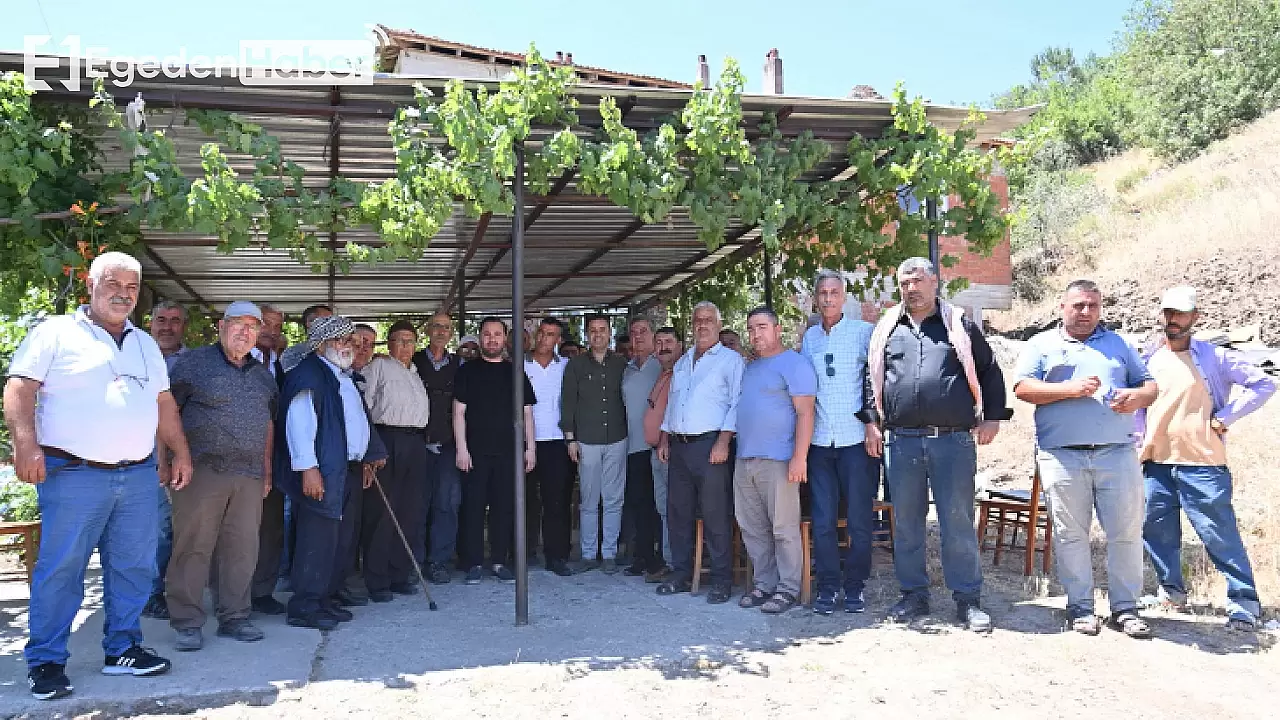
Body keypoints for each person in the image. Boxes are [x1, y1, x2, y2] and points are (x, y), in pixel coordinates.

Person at [4, 252, 193, 700]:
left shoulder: (144, 343)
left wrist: (180, 451)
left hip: (138, 476)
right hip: (74, 475)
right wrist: (25, 444)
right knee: (61, 570)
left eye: (132, 287)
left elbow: (163, 403)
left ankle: (123, 649)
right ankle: (46, 660)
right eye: (114, 283)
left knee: (134, 567)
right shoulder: (55, 332)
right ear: (91, 284)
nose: (123, 293)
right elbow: (19, 386)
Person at [866, 257, 1011, 632]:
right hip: (901, 443)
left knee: (957, 521)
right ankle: (914, 596)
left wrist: (993, 415)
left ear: (935, 282)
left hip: (952, 442)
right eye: (904, 283)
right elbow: (870, 379)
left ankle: (967, 600)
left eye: (917, 281)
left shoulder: (958, 324)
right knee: (908, 525)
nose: (911, 288)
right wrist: (871, 422)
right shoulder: (887, 329)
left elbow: (989, 369)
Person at [1014, 279, 1158, 638]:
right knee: (1070, 535)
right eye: (1078, 305)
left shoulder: (1119, 345)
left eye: (1092, 305)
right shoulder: (1041, 344)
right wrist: (1069, 390)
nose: (1085, 312)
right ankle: (1080, 608)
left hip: (1117, 454)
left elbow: (1150, 386)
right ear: (1061, 307)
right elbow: (1023, 388)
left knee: (1125, 533)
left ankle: (1125, 609)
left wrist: (1135, 397)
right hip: (1062, 456)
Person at [1137, 286, 1275, 630]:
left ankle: (1244, 602)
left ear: (1195, 317)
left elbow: (1263, 384)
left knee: (1219, 534)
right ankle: (1171, 592)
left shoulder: (1215, 356)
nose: (1173, 320)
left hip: (1203, 465)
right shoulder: (1148, 357)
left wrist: (1225, 417)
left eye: (1181, 314)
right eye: (1168, 313)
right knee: (1157, 532)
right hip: (1156, 463)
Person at [163, 301, 278, 651]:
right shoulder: (193, 363)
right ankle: (187, 621)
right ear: (221, 326)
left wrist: (267, 469)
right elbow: (166, 412)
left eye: (252, 327)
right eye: (238, 324)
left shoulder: (262, 376)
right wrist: (165, 460)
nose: (245, 332)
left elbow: (268, 424)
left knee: (242, 547)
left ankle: (235, 617)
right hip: (200, 469)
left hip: (249, 474)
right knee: (193, 546)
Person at [275, 315, 387, 630]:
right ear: (323, 344)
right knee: (318, 538)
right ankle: (305, 605)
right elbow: (299, 426)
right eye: (343, 340)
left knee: (340, 539)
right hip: (322, 470)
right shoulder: (310, 375)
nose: (349, 346)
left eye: (351, 340)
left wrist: (368, 454)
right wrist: (308, 470)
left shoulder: (341, 375)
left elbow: (357, 421)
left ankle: (325, 599)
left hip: (346, 468)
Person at [800, 269, 880, 615]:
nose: (828, 298)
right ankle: (829, 587)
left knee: (860, 520)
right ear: (816, 299)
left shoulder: (864, 334)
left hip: (856, 442)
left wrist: (873, 425)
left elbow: (877, 382)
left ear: (844, 297)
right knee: (822, 520)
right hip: (819, 442)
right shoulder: (810, 339)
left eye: (834, 292)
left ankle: (855, 586)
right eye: (823, 293)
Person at [656, 302, 745, 604]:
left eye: (708, 320)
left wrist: (724, 441)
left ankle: (722, 580)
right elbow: (673, 403)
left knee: (715, 514)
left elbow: (737, 403)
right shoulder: (682, 363)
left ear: (719, 325)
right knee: (678, 513)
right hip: (679, 447)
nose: (702, 325)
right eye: (697, 320)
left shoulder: (731, 361)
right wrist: (665, 437)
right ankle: (681, 574)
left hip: (711, 447)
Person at [735, 307, 817, 614]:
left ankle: (788, 588)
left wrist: (800, 458)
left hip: (779, 460)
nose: (756, 334)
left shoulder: (794, 364)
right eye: (752, 329)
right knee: (752, 527)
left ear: (777, 328)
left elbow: (806, 413)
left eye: (762, 327)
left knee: (783, 529)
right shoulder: (751, 368)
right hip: (745, 458)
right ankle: (764, 584)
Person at [253, 304, 331, 614]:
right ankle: (231, 597)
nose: (271, 330)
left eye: (276, 325)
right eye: (265, 324)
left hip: (278, 454)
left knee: (271, 526)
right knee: (239, 528)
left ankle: (261, 591)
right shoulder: (240, 358)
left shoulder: (284, 362)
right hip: (243, 454)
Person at [454, 317, 536, 584]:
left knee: (504, 508)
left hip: (508, 453)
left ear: (505, 339)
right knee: (473, 508)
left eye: (497, 334)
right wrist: (461, 449)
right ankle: (474, 562)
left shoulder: (515, 373)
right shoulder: (467, 371)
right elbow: (458, 413)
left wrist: (530, 448)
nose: (492, 339)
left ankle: (500, 561)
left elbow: (527, 414)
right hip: (475, 452)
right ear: (480, 338)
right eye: (487, 335)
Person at [356, 320, 430, 602]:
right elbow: (364, 406)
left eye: (410, 341)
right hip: (386, 439)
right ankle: (377, 579)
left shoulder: (414, 372)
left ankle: (399, 573)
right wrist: (370, 450)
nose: (405, 346)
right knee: (382, 511)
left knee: (409, 509)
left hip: (414, 441)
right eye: (399, 340)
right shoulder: (378, 367)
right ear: (389, 343)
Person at [561, 315, 630, 574]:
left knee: (614, 498)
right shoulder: (575, 366)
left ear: (610, 333)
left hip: (617, 438)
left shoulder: (622, 364)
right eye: (593, 331)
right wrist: (570, 439)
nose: (598, 334)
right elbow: (567, 404)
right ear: (586, 335)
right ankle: (589, 554)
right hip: (586, 440)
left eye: (602, 330)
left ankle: (609, 553)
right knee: (589, 500)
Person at [141, 299, 189, 621]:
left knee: (178, 529)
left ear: (183, 326)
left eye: (175, 320)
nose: (167, 326)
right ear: (150, 323)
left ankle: (174, 590)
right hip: (140, 456)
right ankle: (150, 593)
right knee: (153, 529)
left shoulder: (193, 363)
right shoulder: (137, 355)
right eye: (161, 319)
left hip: (182, 456)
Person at [412, 312, 464, 583]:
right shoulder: (413, 361)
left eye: (446, 327)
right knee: (417, 505)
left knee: (447, 504)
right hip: (417, 444)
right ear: (428, 331)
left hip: (449, 444)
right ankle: (414, 563)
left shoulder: (460, 364)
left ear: (451, 332)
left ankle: (439, 562)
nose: (441, 331)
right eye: (436, 327)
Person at [524, 318, 574, 576]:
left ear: (558, 340)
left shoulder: (566, 367)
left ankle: (557, 556)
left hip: (557, 442)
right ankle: (524, 552)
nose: (544, 339)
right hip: (527, 442)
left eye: (551, 335)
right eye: (541, 333)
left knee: (557, 501)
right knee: (526, 500)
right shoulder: (520, 366)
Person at [620, 317, 664, 577]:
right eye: (633, 333)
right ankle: (642, 556)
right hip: (632, 446)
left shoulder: (661, 366)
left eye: (643, 332)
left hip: (657, 446)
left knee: (658, 504)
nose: (638, 337)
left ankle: (660, 558)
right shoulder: (627, 369)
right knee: (638, 503)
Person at [642, 326, 683, 582]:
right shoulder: (663, 373)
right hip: (656, 450)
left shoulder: (681, 373)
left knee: (673, 508)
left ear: (680, 345)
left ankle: (675, 563)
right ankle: (670, 560)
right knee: (663, 508)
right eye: (659, 342)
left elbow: (675, 410)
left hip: (668, 450)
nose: (663, 347)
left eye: (669, 341)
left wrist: (665, 440)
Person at [279, 304, 333, 373]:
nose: (332, 325)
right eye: (327, 320)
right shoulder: (293, 354)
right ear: (309, 323)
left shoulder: (336, 351)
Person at [250, 304, 286, 387]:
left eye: (277, 327)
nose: (273, 331)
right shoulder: (239, 358)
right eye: (266, 324)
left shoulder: (276, 362)